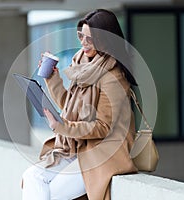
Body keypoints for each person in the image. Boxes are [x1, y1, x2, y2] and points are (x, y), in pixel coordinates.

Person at [22, 9, 138, 200]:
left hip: (102, 152)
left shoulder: (113, 78)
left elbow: (102, 127)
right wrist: (53, 79)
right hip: (76, 146)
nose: (83, 42)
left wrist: (63, 127)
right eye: (81, 36)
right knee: (31, 176)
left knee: (52, 193)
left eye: (90, 39)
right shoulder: (82, 65)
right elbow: (70, 106)